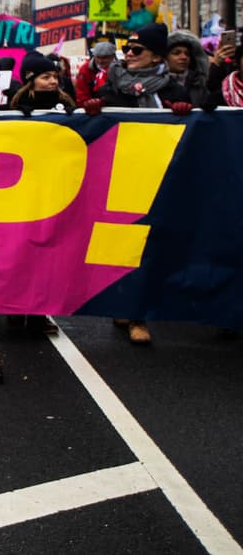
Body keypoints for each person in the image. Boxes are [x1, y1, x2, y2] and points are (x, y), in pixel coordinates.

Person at [94, 23, 188, 345]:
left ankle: (138, 312)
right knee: (122, 245)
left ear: (155, 56)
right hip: (122, 174)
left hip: (161, 175)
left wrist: (184, 114)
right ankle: (125, 305)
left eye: (137, 50)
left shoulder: (173, 89)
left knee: (149, 246)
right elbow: (94, 118)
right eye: (127, 50)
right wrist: (91, 110)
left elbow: (199, 123)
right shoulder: (114, 86)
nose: (128, 55)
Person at [8, 51, 75, 112]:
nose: (54, 81)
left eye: (55, 77)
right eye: (46, 77)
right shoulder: (18, 104)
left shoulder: (65, 101)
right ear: (31, 82)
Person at [164, 30, 211, 108]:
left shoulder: (199, 86)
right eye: (176, 53)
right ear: (165, 57)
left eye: (187, 54)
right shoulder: (158, 86)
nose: (183, 57)